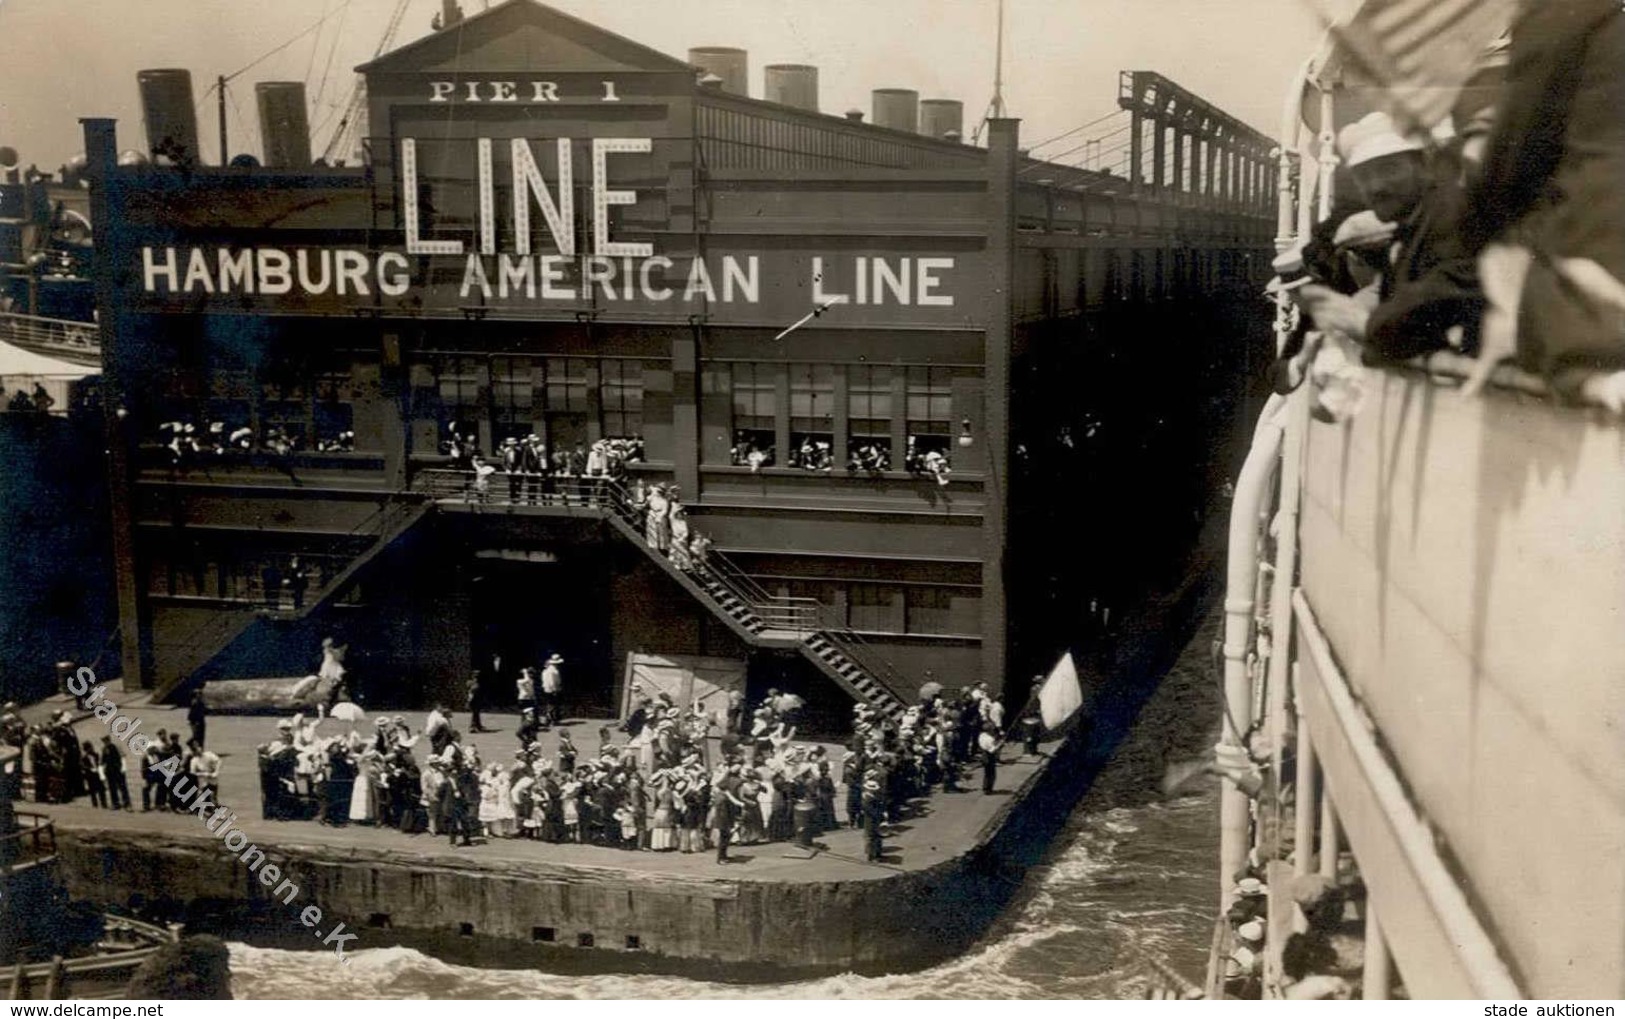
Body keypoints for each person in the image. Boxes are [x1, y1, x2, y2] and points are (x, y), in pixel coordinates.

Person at [101, 735, 130, 810]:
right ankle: (115, 803)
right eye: (104, 741)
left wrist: (123, 768)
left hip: (117, 770)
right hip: (110, 772)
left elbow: (122, 756)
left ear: (108, 740)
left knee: (122, 787)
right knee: (112, 788)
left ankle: (126, 803)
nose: (105, 742)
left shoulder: (115, 747)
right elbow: (103, 761)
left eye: (105, 740)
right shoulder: (104, 749)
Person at [540, 653, 564, 726]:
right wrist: (554, 690)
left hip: (547, 689)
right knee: (553, 705)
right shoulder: (554, 671)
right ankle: (552, 719)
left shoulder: (545, 671)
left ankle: (549, 719)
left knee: (550, 704)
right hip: (553, 689)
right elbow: (552, 682)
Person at [82, 741, 107, 808]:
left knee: (101, 789)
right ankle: (95, 804)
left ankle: (104, 803)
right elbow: (84, 767)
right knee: (92, 790)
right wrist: (89, 769)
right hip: (90, 775)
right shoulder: (84, 758)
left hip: (97, 773)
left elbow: (99, 764)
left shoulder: (96, 755)